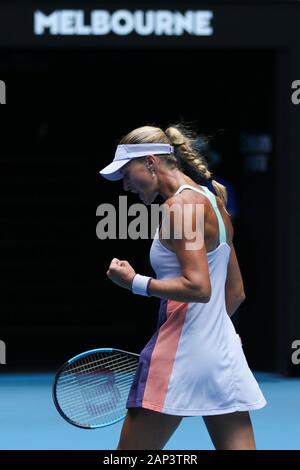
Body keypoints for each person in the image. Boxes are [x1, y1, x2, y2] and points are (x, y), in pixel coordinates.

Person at [99, 124, 266, 450]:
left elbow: (198, 287)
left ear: (150, 162)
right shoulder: (214, 201)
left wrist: (134, 282)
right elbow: (236, 292)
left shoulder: (179, 208)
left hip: (178, 355)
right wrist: (214, 332)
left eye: (126, 173)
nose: (124, 185)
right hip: (222, 353)